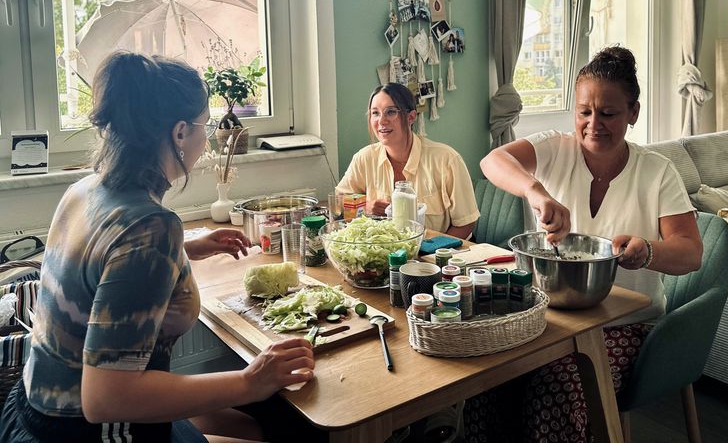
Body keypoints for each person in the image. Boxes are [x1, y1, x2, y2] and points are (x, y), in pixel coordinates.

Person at [0, 52, 316, 443]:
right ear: (180, 132)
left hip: (30, 410)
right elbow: (105, 399)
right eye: (205, 124)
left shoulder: (86, 189)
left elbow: (104, 263)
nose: (207, 137)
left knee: (250, 428)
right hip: (85, 431)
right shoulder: (150, 228)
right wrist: (250, 381)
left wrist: (185, 248)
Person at [464, 46, 703, 442]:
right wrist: (536, 192)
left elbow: (691, 253)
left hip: (624, 324)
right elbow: (492, 161)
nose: (594, 124)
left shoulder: (657, 172)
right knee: (489, 380)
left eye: (608, 113)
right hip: (552, 317)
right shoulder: (556, 149)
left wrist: (647, 251)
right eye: (584, 112)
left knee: (554, 390)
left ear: (633, 113)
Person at [336, 83, 479, 239]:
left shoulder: (447, 160)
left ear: (411, 117)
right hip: (385, 250)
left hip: (439, 251)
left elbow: (466, 222)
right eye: (375, 113)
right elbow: (338, 201)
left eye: (391, 112)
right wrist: (365, 206)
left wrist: (431, 249)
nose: (382, 121)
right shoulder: (363, 158)